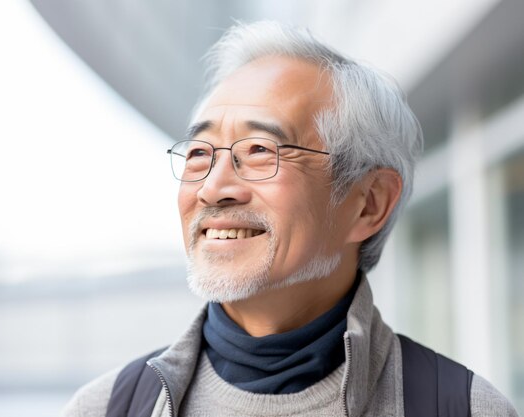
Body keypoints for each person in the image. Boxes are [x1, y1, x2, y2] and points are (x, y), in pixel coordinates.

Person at [62, 21, 517, 416]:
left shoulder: (463, 408)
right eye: (200, 153)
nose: (213, 188)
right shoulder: (106, 407)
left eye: (260, 150)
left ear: (369, 203)